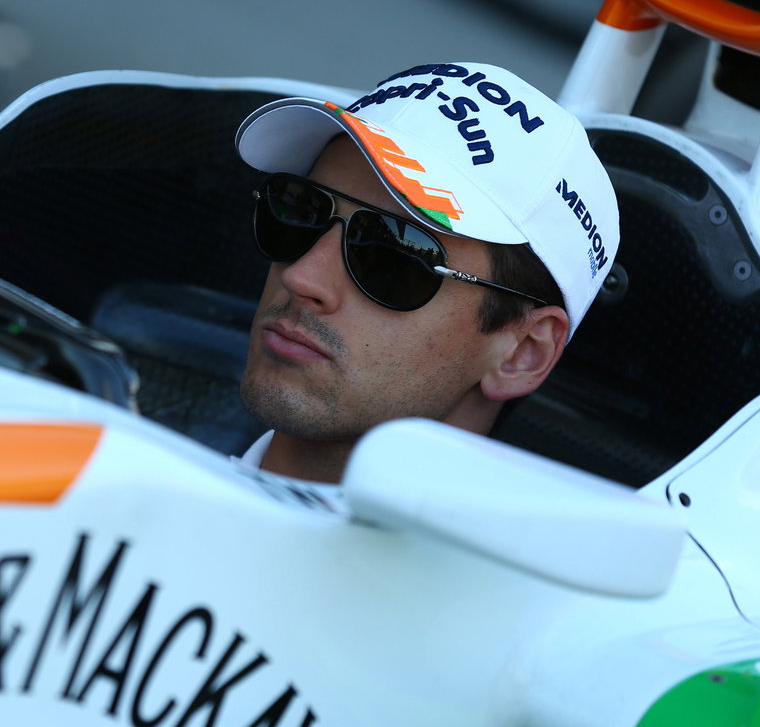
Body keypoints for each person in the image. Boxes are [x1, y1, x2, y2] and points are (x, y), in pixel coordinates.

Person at [231, 61, 619, 485]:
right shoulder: (152, 432)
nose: (302, 278)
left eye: (393, 253)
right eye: (300, 211)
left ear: (523, 352)